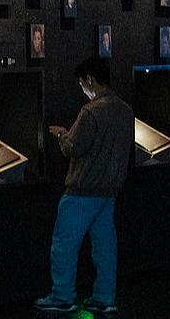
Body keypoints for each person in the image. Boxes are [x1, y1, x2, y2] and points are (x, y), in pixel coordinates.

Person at [36, 58, 131, 315]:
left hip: (81, 191)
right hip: (108, 192)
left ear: (89, 79)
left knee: (64, 244)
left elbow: (73, 147)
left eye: (81, 83)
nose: (82, 89)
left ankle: (62, 296)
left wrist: (61, 134)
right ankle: (104, 298)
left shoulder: (91, 111)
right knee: (105, 247)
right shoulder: (125, 110)